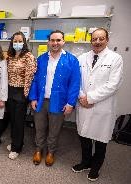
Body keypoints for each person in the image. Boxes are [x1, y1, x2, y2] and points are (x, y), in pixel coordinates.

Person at [72, 28, 123, 182]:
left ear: (107, 40)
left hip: (102, 106)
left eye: (101, 39)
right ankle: (85, 162)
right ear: (91, 41)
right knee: (84, 137)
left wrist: (91, 98)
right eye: (95, 39)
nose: (98, 42)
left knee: (100, 141)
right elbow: (76, 80)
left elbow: (113, 84)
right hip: (83, 103)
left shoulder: (115, 58)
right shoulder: (82, 58)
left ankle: (96, 167)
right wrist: (82, 97)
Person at [29, 30, 80, 166]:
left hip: (59, 102)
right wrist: (33, 98)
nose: (55, 43)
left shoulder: (72, 60)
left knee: (54, 129)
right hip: (41, 100)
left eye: (58, 40)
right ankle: (39, 149)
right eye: (52, 40)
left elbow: (75, 83)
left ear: (63, 41)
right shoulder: (41, 59)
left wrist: (70, 103)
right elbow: (34, 80)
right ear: (48, 42)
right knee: (39, 127)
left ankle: (51, 151)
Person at [6, 31, 37, 160]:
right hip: (10, 90)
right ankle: (16, 142)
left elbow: (30, 77)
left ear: (24, 42)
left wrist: (26, 96)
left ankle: (16, 147)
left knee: (19, 121)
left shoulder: (28, 56)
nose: (17, 43)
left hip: (21, 92)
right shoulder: (11, 56)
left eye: (20, 41)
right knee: (12, 119)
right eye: (15, 41)